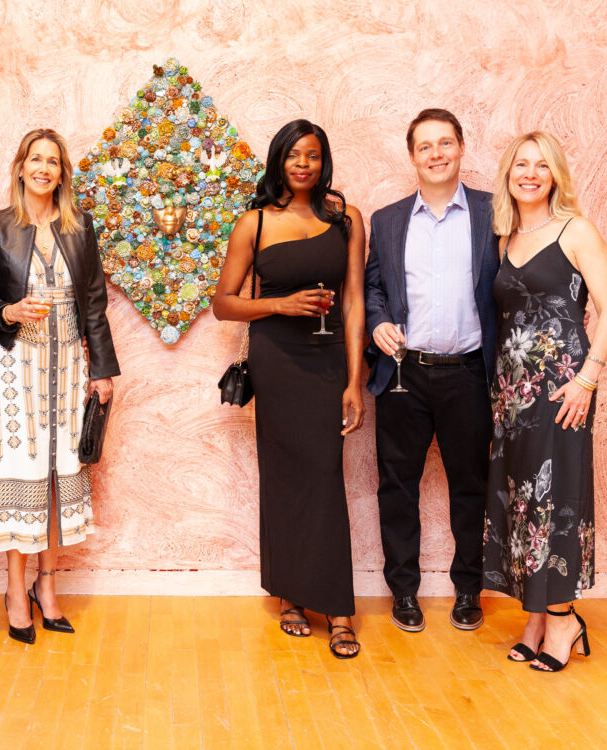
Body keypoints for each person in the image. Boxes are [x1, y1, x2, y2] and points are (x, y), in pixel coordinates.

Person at [213, 119, 366, 658]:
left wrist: (354, 380)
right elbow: (223, 303)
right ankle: (291, 599)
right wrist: (280, 303)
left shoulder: (347, 219)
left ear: (324, 163)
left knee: (325, 473)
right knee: (282, 475)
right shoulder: (253, 223)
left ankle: (339, 606)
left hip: (326, 359)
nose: (304, 164)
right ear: (279, 160)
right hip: (276, 360)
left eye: (314, 156)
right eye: (294, 155)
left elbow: (353, 303)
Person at [482, 131, 607, 672]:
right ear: (509, 174)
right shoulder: (505, 237)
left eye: (543, 165)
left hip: (564, 389)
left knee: (557, 498)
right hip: (513, 396)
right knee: (523, 504)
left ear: (556, 174)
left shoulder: (576, 230)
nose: (531, 173)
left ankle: (564, 620)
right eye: (522, 164)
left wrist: (587, 380)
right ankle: (536, 615)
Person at [0, 128, 120, 644]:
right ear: (20, 167)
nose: (44, 168)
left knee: (63, 468)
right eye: (35, 159)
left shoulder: (79, 227)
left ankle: (47, 585)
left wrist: (102, 370)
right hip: (17, 363)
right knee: (20, 468)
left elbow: (96, 305)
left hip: (68, 362)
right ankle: (15, 589)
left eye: (53, 162)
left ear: (62, 172)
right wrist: (8, 312)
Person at [364, 109, 500, 633]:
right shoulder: (388, 219)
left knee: (472, 486)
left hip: (470, 372)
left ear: (462, 148)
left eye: (445, 143)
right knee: (397, 487)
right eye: (425, 146)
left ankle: (469, 590)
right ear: (413, 156)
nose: (436, 153)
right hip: (403, 375)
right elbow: (375, 287)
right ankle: (404, 593)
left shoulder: (494, 212)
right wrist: (377, 322)